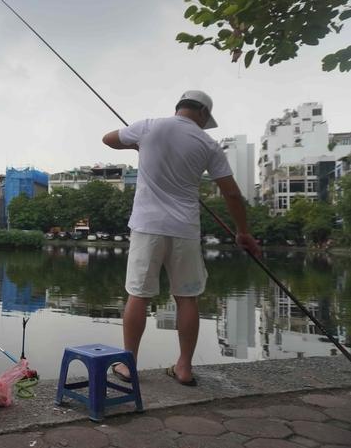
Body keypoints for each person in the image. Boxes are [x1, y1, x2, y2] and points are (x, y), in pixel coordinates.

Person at [102, 90, 261, 386]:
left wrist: (139, 145)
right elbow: (231, 192)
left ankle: (128, 365)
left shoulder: (150, 126)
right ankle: (184, 367)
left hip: (147, 227)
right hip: (185, 229)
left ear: (180, 107)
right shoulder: (208, 143)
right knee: (187, 298)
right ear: (202, 113)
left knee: (138, 294)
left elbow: (108, 139)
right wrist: (243, 232)